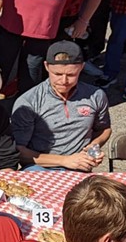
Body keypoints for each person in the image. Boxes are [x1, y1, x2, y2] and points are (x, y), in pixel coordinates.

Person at [10, 40, 110, 171]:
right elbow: (19, 151)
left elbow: (104, 129)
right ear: (46, 67)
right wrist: (65, 161)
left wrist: (94, 146)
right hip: (40, 167)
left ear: (81, 67)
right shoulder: (29, 101)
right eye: (57, 74)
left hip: (79, 167)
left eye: (71, 75)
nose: (64, 81)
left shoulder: (96, 95)